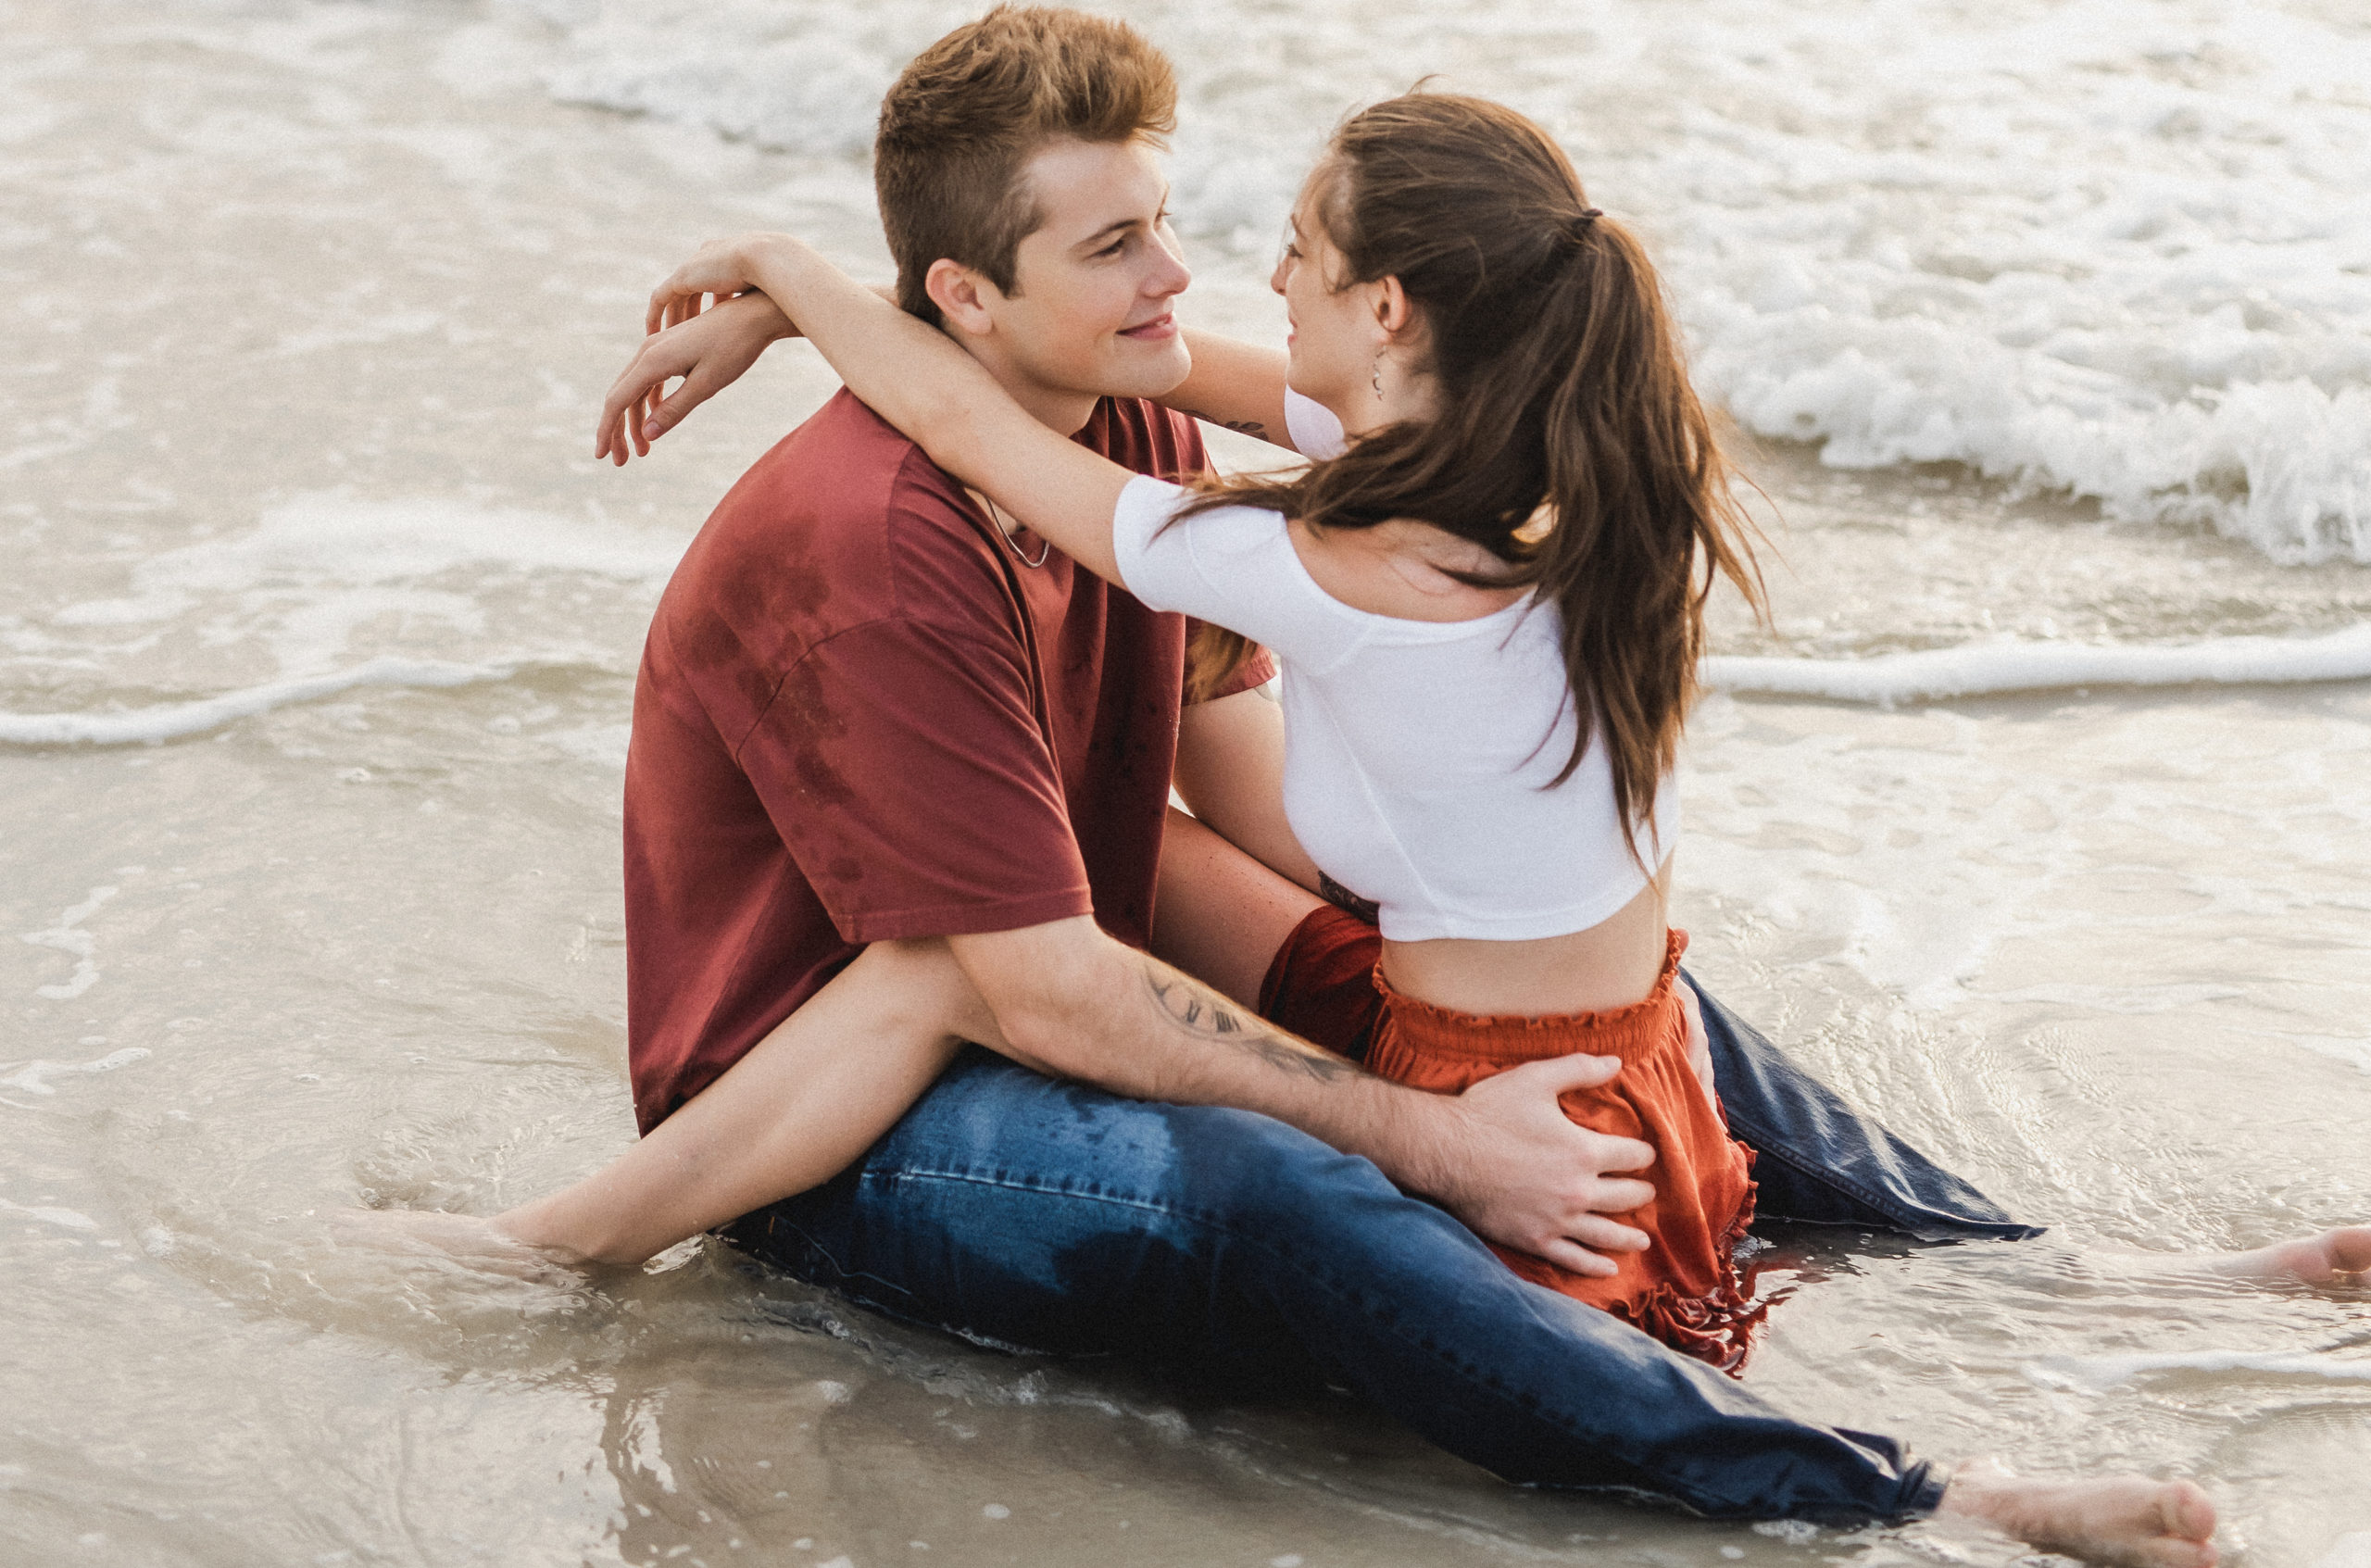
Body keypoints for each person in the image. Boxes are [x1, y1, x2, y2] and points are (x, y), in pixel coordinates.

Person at [358, 8, 2367, 1560]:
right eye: (1120, 241)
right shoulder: (884, 541)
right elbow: (1021, 982)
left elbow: (1208, 772)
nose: (1183, 278)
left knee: (1613, 1006)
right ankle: (1896, 1484)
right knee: (1297, 1174)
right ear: (965, 300)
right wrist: (1440, 1137)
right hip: (825, 1127)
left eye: (1179, 219)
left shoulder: (1126, 392)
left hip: (1053, 949)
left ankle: (2032, 1275)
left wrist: (1406, 964)